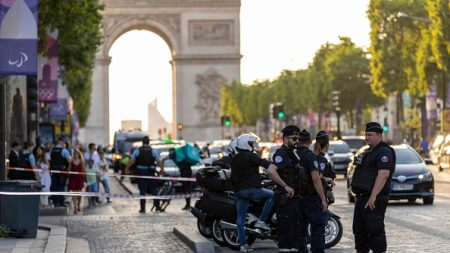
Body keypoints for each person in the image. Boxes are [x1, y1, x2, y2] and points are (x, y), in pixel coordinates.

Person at [351, 122, 396, 253]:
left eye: (369, 135)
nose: (366, 137)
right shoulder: (369, 152)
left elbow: (383, 175)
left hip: (374, 199)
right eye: (365, 134)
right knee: (359, 231)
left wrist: (373, 196)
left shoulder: (384, 151)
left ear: (378, 135)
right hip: (362, 198)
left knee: (374, 231)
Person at [230, 133, 275, 252]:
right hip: (251, 189)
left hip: (239, 191)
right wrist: (275, 165)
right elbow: (264, 163)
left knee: (240, 219)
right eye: (252, 143)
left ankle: (243, 245)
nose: (254, 145)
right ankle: (261, 221)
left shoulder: (235, 158)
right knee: (273, 195)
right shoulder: (250, 156)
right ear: (247, 144)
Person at [267, 125, 302, 252]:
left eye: (298, 138)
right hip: (285, 199)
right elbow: (271, 171)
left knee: (295, 236)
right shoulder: (281, 154)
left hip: (294, 200)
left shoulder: (293, 154)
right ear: (285, 139)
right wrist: (285, 186)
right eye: (294, 138)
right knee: (286, 236)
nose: (297, 141)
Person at [297, 129, 328, 253]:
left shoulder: (293, 154)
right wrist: (323, 199)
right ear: (310, 141)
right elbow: (316, 179)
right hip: (310, 198)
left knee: (300, 230)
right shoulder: (310, 156)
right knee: (318, 227)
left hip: (295, 198)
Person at [125, 136, 163, 213]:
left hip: (141, 173)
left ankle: (143, 208)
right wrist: (162, 170)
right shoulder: (153, 151)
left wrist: (126, 168)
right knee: (153, 190)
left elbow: (132, 161)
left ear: (142, 142)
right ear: (149, 142)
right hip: (151, 172)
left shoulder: (137, 151)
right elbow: (159, 162)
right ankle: (157, 207)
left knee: (142, 191)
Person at [313, 131, 336, 204]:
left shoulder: (315, 157)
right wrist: (330, 180)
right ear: (327, 145)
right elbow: (319, 176)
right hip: (319, 194)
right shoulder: (321, 159)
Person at [49, 138, 72, 207]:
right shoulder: (64, 150)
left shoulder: (52, 150)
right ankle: (61, 202)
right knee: (61, 186)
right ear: (62, 143)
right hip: (62, 171)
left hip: (53, 170)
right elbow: (69, 160)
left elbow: (51, 160)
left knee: (54, 186)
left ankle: (55, 202)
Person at [68, 149, 85, 213]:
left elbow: (83, 170)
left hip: (80, 179)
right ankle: (75, 207)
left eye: (76, 153)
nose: (75, 155)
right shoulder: (71, 161)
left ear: (79, 154)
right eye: (74, 154)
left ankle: (78, 205)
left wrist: (84, 180)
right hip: (73, 179)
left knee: (79, 194)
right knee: (74, 194)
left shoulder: (81, 161)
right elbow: (69, 169)